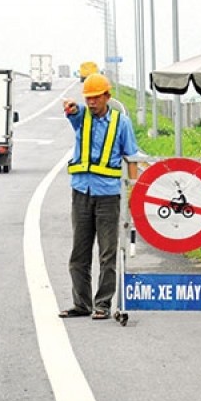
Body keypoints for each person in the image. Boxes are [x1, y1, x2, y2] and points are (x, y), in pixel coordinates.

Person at [58, 73, 140, 321]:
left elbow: (132, 156)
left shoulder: (121, 123)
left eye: (96, 98)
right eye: (88, 98)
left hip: (108, 195)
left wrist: (132, 191)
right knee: (79, 253)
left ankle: (102, 303)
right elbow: (73, 112)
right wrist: (71, 108)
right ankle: (81, 303)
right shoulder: (82, 117)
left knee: (107, 253)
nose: (91, 102)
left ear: (107, 96)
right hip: (81, 192)